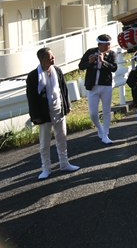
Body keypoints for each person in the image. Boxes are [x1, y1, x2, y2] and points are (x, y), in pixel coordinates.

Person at [26, 48, 79, 179]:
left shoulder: (57, 71)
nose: (53, 58)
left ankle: (64, 163)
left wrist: (67, 105)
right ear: (41, 59)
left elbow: (64, 89)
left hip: (58, 110)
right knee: (44, 144)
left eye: (53, 55)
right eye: (50, 56)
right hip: (44, 113)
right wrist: (35, 115)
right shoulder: (33, 76)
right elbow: (31, 97)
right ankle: (46, 168)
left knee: (62, 139)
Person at [78, 34, 118, 144]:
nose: (108, 46)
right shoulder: (90, 52)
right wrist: (89, 62)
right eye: (106, 45)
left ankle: (105, 135)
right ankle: (100, 128)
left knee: (106, 111)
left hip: (106, 85)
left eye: (109, 44)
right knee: (93, 113)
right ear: (99, 44)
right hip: (92, 86)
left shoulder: (111, 54)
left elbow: (114, 68)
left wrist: (104, 62)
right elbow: (81, 66)